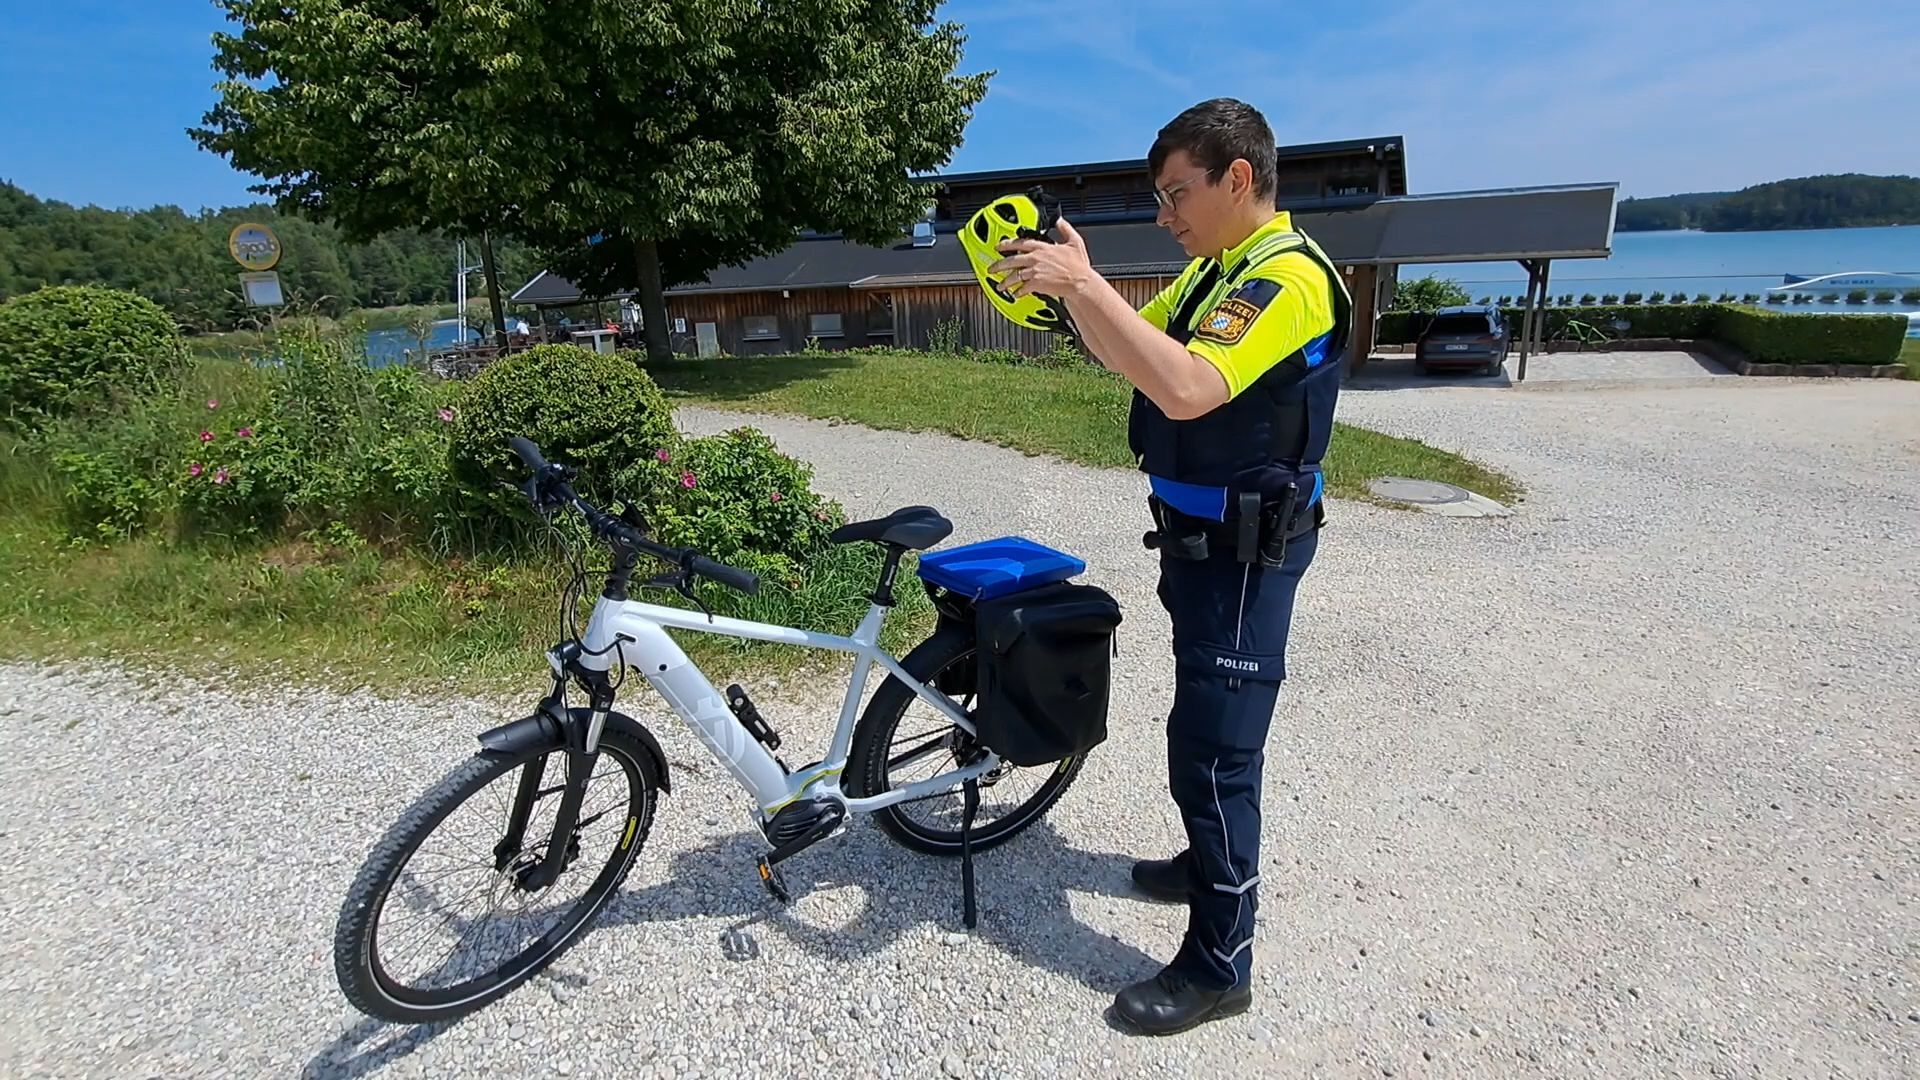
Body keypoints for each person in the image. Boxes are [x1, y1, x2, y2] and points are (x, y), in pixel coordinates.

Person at [988, 97, 1351, 1035]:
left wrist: (1086, 284)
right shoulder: (1215, 273)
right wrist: (1072, 291)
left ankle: (1221, 962)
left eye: (1175, 194)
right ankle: (1203, 863)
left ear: (1239, 177)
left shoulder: (1288, 278)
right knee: (1197, 724)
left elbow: (1189, 388)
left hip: (1244, 557)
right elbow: (1136, 360)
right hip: (1198, 548)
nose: (1166, 215)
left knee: (1218, 750)